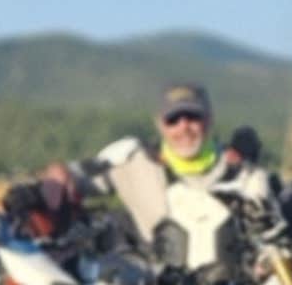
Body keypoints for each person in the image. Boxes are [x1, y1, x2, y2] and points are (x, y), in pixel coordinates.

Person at [80, 81, 274, 269]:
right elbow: (71, 181)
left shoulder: (247, 176)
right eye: (173, 119)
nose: (184, 127)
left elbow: (272, 242)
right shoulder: (131, 161)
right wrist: (57, 182)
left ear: (210, 119)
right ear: (159, 124)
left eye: (193, 117)